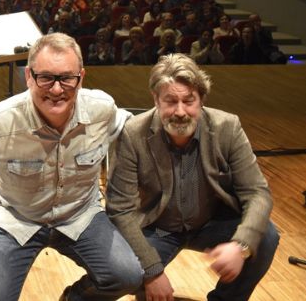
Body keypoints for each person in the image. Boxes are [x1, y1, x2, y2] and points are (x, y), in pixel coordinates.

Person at [0, 33, 142, 300]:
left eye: (67, 77)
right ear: (29, 77)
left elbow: (138, 129)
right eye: (46, 77)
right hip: (17, 219)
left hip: (80, 216)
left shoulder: (101, 109)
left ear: (81, 77)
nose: (57, 89)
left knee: (127, 276)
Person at [107, 53, 279, 301]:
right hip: (159, 228)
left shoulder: (227, 127)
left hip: (210, 223)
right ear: (155, 99)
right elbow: (119, 209)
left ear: (201, 99)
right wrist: (153, 272)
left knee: (265, 237)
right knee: (128, 273)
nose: (180, 111)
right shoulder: (133, 134)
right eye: (170, 101)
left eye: (189, 101)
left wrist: (240, 245)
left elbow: (257, 192)